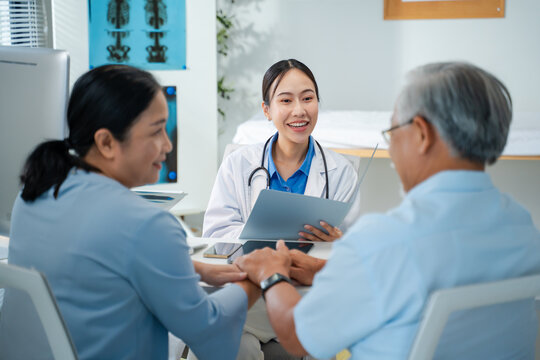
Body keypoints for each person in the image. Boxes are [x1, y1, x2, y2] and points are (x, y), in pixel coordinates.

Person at [234, 62, 540, 359]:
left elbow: (297, 335)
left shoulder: (384, 240)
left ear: (421, 134)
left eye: (393, 131)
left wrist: (271, 274)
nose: (391, 147)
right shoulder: (521, 226)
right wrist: (327, 270)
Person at [0, 65, 260, 360]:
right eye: (157, 131)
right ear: (106, 142)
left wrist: (192, 268)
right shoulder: (147, 224)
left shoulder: (35, 192)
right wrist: (260, 277)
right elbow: (210, 334)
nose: (168, 144)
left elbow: (89, 266)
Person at [202, 59, 358, 242]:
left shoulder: (342, 172)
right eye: (286, 100)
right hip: (251, 270)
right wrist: (266, 232)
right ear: (266, 110)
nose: (299, 111)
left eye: (307, 98)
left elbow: (352, 247)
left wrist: (337, 243)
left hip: (312, 270)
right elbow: (215, 237)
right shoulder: (236, 165)